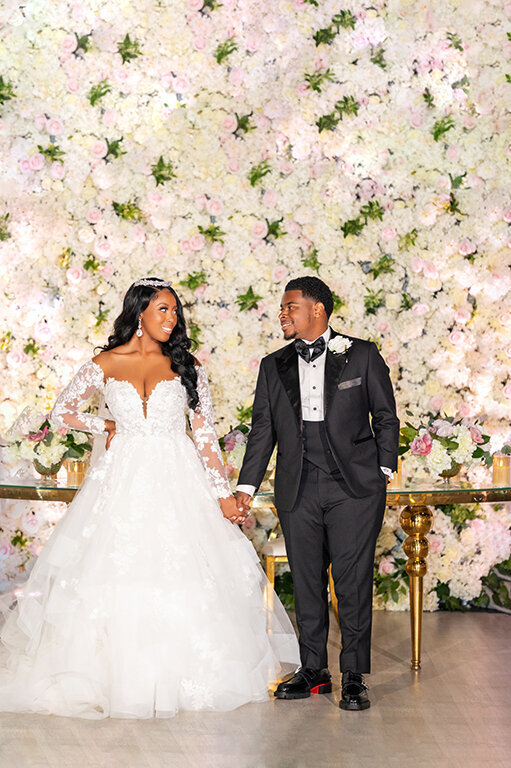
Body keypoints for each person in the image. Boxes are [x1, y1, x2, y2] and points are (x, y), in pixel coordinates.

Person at [0, 278, 299, 719]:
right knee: (114, 568)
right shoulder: (106, 362)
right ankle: (110, 675)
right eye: (162, 309)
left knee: (181, 568)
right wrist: (105, 426)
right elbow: (62, 411)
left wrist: (222, 494)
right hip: (119, 479)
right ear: (139, 312)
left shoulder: (186, 366)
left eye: (175, 311)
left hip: (178, 479)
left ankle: (181, 674)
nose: (171, 318)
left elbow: (205, 436)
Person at [236, 276, 399, 711]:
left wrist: (383, 469)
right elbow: (263, 431)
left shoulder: (361, 354)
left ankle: (353, 676)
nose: (283, 314)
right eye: (282, 308)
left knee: (352, 581)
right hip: (298, 486)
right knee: (306, 580)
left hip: (355, 489)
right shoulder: (273, 365)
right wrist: (245, 488)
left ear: (318, 310)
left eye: (291, 306)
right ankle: (314, 670)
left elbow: (385, 415)